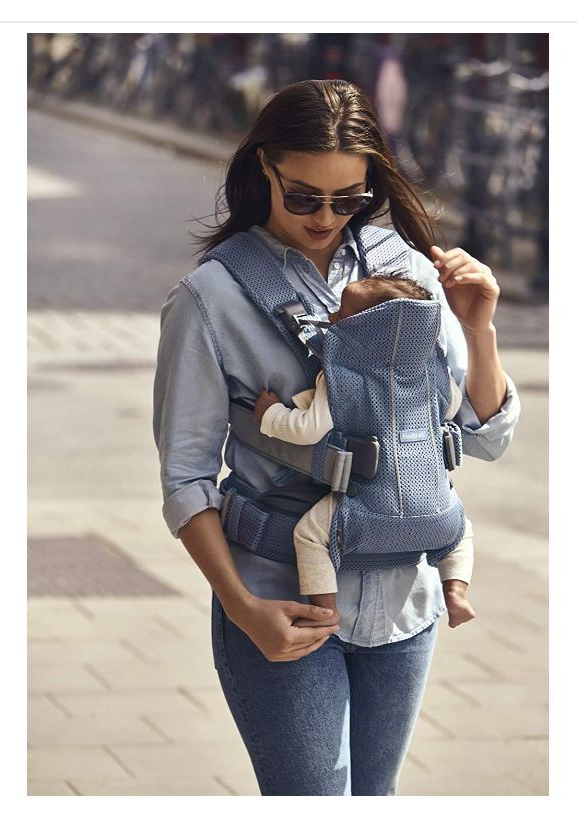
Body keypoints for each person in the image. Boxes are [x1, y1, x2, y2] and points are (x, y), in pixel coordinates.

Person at [153, 79, 520, 796]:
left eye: (347, 200)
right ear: (264, 169)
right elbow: (185, 478)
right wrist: (241, 607)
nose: (326, 217)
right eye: (304, 196)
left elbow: (481, 438)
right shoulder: (210, 300)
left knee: (372, 799)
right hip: (277, 596)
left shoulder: (408, 269)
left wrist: (477, 329)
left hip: (400, 594)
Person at [253, 275, 476, 630]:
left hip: (368, 506)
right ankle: (456, 593)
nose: (335, 315)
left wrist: (269, 414)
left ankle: (325, 609)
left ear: (367, 331)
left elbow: (307, 428)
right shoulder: (431, 370)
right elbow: (452, 407)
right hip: (436, 509)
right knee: (461, 532)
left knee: (310, 536)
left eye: (345, 313)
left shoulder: (342, 375)